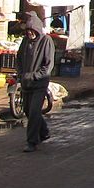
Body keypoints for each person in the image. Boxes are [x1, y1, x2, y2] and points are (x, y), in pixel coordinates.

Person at [14, 13, 54, 152]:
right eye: (28, 31)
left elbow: (48, 66)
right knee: (28, 111)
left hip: (39, 84)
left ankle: (32, 141)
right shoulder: (25, 41)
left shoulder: (46, 41)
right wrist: (20, 74)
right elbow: (19, 58)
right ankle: (44, 132)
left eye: (32, 31)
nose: (30, 33)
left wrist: (34, 76)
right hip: (26, 84)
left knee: (34, 111)